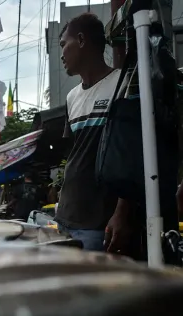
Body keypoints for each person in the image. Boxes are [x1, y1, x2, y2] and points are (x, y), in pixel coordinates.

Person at [54, 13, 132, 252]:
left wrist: (122, 212)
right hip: (66, 217)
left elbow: (133, 154)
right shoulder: (72, 97)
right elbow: (76, 155)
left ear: (81, 40)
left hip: (99, 223)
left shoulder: (123, 84)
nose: (61, 54)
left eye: (63, 44)